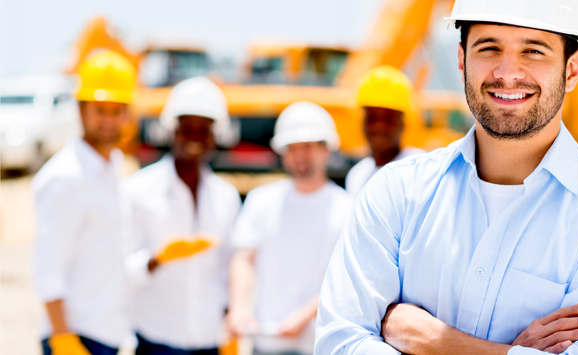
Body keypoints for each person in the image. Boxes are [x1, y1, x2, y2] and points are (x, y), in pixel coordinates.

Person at [315, 1, 578, 354]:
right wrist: (512, 351)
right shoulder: (395, 193)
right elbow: (339, 344)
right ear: (462, 60)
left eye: (533, 50)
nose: (508, 72)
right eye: (489, 48)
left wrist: (433, 341)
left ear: (572, 70)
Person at [122, 76, 241, 355]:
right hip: (156, 339)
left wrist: (233, 319)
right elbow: (118, 272)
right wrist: (155, 260)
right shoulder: (137, 190)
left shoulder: (226, 197)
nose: (195, 138)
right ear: (172, 130)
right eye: (188, 129)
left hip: (211, 339)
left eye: (204, 130)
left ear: (215, 135)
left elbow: (230, 268)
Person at [227, 101, 354, 355]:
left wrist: (305, 316)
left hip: (319, 345)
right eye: (292, 148)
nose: (300, 155)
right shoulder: (261, 201)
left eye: (307, 147)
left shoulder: (348, 208)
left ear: (325, 150)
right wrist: (239, 307)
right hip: (266, 341)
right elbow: (244, 258)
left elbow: (347, 278)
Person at [32, 50, 136, 355]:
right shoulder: (66, 177)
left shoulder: (112, 168)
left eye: (116, 110)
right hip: (75, 337)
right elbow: (47, 266)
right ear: (81, 110)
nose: (109, 120)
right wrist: (63, 337)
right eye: (100, 110)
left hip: (106, 334)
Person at [344, 66, 424, 197]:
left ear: (403, 122)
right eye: (372, 117)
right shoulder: (357, 175)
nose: (379, 126)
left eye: (388, 118)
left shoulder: (419, 169)